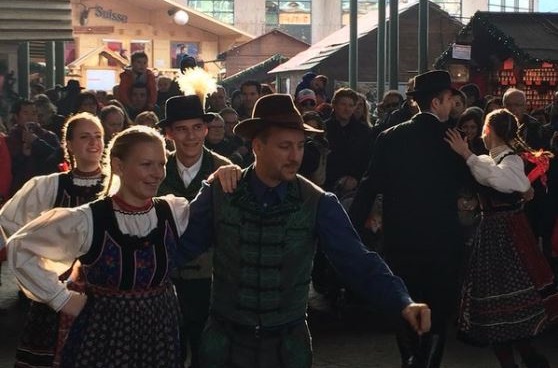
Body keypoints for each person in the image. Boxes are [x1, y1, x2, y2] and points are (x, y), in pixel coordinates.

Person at [177, 93, 431, 368]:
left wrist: (403, 302)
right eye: (285, 146)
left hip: (287, 348)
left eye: (300, 146)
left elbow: (357, 260)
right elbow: (179, 249)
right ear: (257, 147)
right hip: (224, 345)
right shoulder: (220, 193)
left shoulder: (318, 202)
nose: (295, 156)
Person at [349, 70, 470, 368]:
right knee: (437, 311)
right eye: (449, 100)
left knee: (405, 304)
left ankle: (410, 360)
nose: (452, 105)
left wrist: (350, 229)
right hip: (443, 240)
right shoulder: (454, 140)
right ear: (436, 102)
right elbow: (470, 182)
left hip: (402, 238)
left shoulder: (391, 137)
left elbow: (369, 186)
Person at [445, 108, 558, 368]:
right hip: (494, 234)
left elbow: (509, 182)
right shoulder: (491, 158)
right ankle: (525, 359)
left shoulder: (509, 159)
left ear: (489, 130)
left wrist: (467, 155)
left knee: (508, 301)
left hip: (508, 235)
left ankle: (525, 358)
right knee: (496, 306)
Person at [1, 112, 105, 368]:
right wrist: (44, 266)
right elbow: (11, 226)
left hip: (104, 294)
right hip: (55, 296)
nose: (93, 143)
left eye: (98, 136)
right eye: (84, 137)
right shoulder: (48, 186)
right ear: (68, 144)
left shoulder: (117, 185)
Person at [157, 95, 232, 368]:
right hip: (164, 276)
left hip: (210, 277)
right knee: (167, 347)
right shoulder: (155, 168)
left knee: (208, 349)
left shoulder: (226, 170)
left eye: (196, 128)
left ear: (206, 129)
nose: (191, 136)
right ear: (169, 133)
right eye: (181, 129)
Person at [6, 99, 61, 196]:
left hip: (46, 187)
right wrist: (23, 155)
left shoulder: (49, 136)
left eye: (34, 113)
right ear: (16, 116)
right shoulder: (10, 138)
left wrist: (36, 142)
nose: (30, 117)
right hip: (21, 190)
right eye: (26, 113)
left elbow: (57, 157)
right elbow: (9, 167)